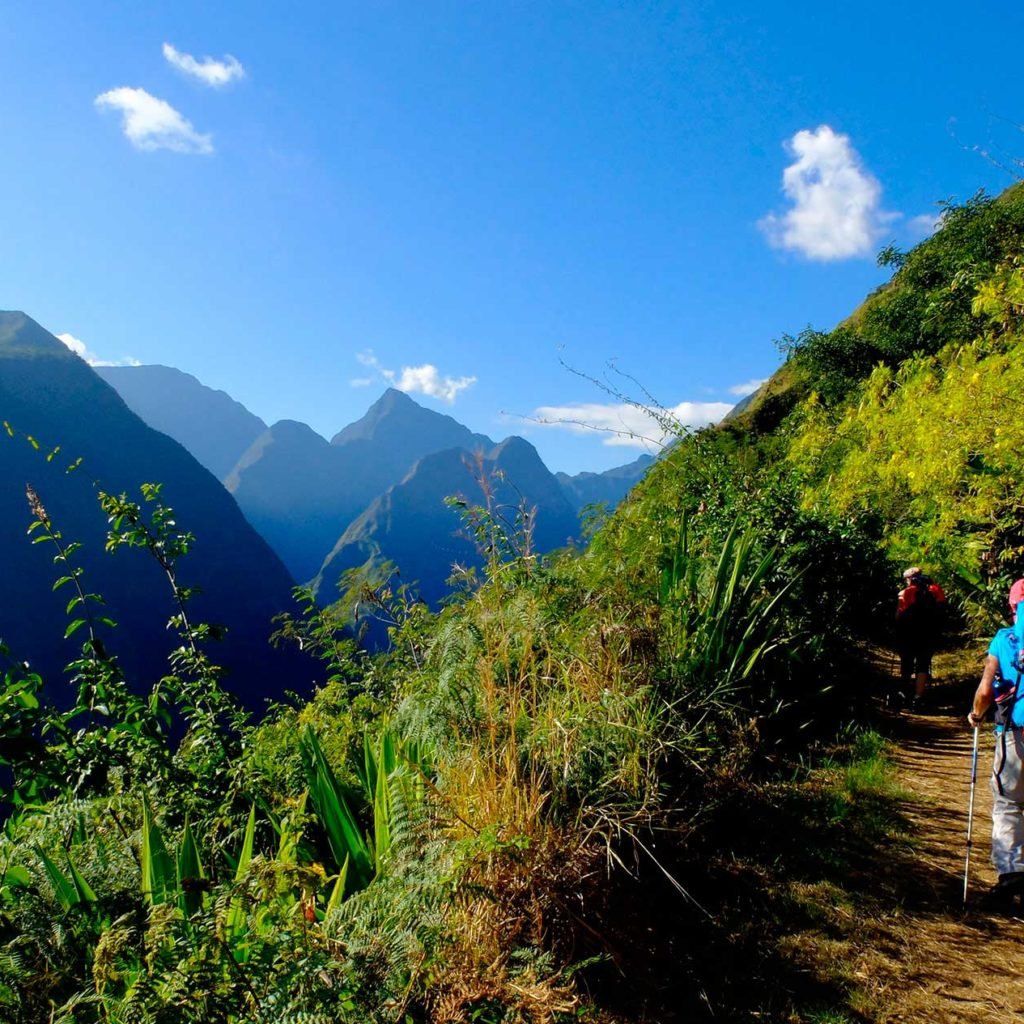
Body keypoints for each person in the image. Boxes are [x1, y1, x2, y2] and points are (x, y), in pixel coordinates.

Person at [967, 579, 1024, 908]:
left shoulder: (1004, 639)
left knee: (1008, 803)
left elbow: (987, 690)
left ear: (1012, 606)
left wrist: (976, 714)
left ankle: (1011, 872)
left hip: (1015, 734)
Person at [895, 567, 946, 709]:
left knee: (907, 663)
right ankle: (918, 698)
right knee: (923, 664)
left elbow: (899, 617)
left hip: (909, 634)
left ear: (910, 579)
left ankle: (904, 693)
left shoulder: (905, 593)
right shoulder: (936, 590)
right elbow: (942, 612)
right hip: (929, 634)